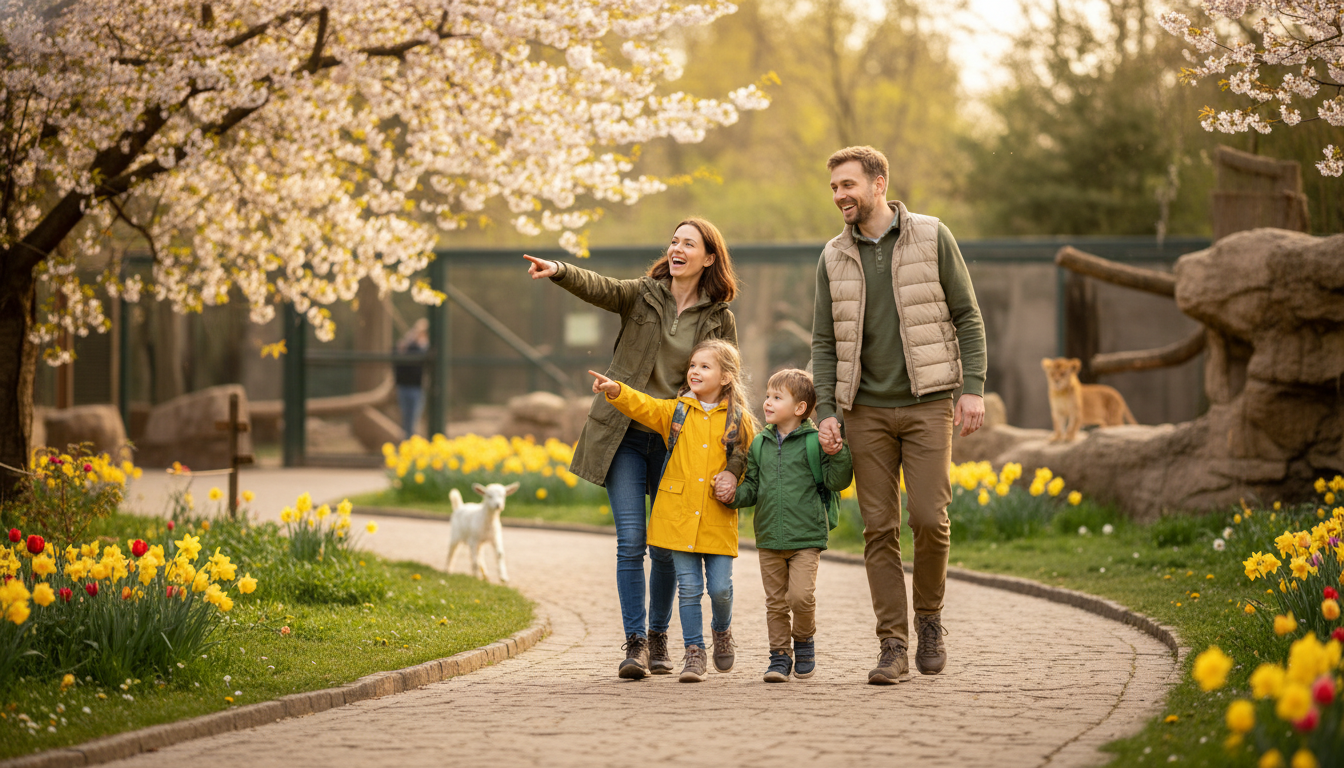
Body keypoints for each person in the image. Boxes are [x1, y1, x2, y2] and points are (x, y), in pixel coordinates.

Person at [523, 219, 744, 680]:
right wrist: (559, 269)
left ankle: (659, 637)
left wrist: (730, 455)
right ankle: (636, 642)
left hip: (675, 439)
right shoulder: (642, 294)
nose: (677, 248)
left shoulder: (719, 317)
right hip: (622, 432)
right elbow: (599, 287)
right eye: (674, 241)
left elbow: (728, 381)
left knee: (664, 548)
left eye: (689, 243)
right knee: (631, 541)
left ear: (709, 258)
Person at [811, 146, 987, 685]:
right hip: (863, 411)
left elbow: (967, 315)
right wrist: (826, 409)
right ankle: (893, 644)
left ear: (879, 183)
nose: (840, 195)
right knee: (879, 528)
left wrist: (973, 389)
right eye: (834, 187)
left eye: (848, 185)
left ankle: (929, 619)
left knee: (929, 519)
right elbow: (824, 341)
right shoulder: (832, 256)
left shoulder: (932, 235)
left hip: (927, 403)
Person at [589, 338, 758, 682]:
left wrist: (734, 481)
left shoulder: (740, 421)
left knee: (721, 589)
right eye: (693, 365)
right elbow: (646, 406)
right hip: (678, 518)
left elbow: (749, 463)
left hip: (717, 519)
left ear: (726, 377)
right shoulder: (677, 411)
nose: (694, 371)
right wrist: (617, 390)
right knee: (690, 588)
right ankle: (694, 652)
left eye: (705, 366)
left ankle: (721, 630)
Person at [724, 368, 852, 683]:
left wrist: (838, 452)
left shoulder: (815, 442)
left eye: (777, 397)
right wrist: (732, 496)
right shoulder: (760, 444)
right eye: (768, 396)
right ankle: (779, 656)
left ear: (799, 408)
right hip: (769, 537)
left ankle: (804, 639)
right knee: (776, 603)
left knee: (800, 598)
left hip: (806, 537)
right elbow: (752, 487)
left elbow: (837, 481)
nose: (767, 402)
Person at [394, 318, 430, 439]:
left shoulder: (423, 347)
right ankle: (407, 441)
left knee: (413, 419)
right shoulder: (407, 345)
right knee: (406, 419)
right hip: (404, 386)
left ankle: (412, 440)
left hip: (416, 387)